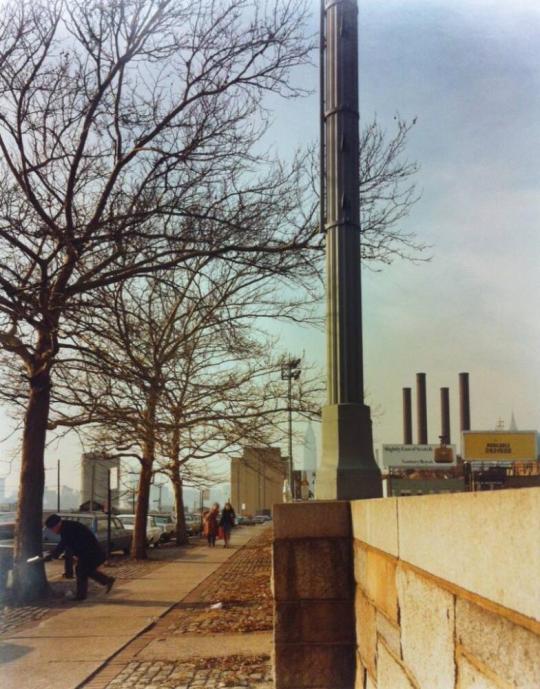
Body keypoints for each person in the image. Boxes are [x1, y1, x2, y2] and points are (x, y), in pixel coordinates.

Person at [44, 514, 115, 601]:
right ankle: (106, 581)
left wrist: (54, 555)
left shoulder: (67, 529)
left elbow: (64, 543)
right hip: (89, 552)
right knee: (84, 570)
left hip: (91, 553)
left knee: (81, 570)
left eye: (52, 528)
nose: (52, 531)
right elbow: (68, 544)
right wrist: (54, 554)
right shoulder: (67, 527)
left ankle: (82, 595)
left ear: (57, 524)